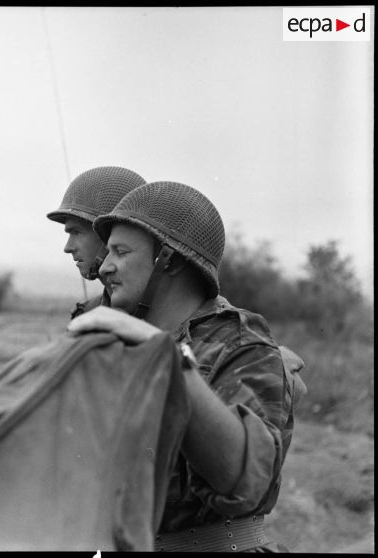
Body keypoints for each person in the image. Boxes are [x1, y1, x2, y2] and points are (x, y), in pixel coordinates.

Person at [68, 181, 306, 552]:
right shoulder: (121, 344)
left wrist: (169, 362)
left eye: (121, 251)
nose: (106, 266)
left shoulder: (242, 345)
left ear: (170, 260)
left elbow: (244, 481)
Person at [47, 166, 146, 319]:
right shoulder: (87, 315)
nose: (68, 248)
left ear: (109, 233)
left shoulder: (171, 322)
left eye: (76, 232)